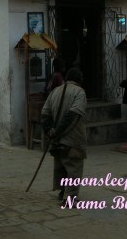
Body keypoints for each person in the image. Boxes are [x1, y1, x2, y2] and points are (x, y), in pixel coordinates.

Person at [41, 67, 87, 201]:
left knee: (61, 165)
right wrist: (58, 131)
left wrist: (50, 130)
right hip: (72, 138)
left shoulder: (55, 91)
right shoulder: (80, 92)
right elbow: (73, 115)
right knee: (74, 167)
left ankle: (62, 191)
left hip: (57, 138)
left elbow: (45, 113)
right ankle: (70, 196)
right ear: (79, 79)